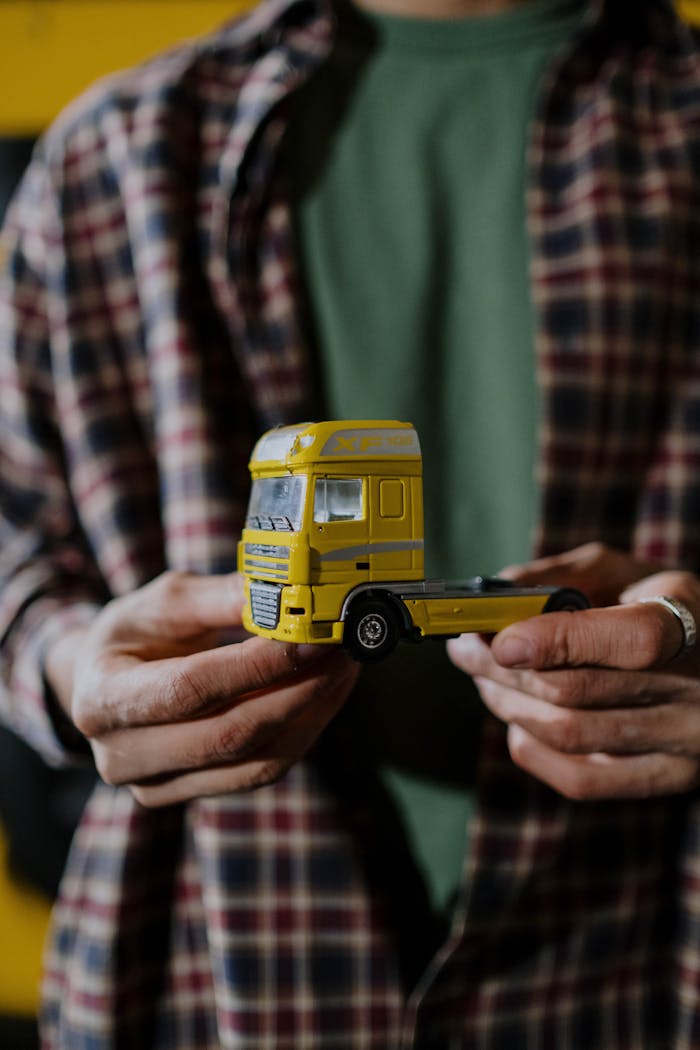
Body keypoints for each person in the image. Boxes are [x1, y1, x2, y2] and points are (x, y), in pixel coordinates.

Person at [2, 0, 700, 1045]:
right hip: (204, 970)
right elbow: (16, 559)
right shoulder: (112, 157)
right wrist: (72, 671)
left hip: (637, 966)